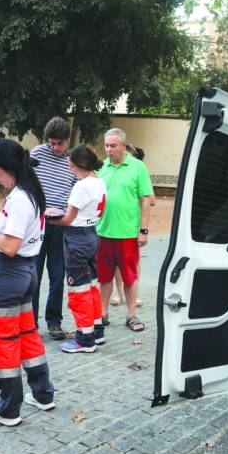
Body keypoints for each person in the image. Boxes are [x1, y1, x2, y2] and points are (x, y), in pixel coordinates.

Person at [0, 139, 55, 426]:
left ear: (8, 168)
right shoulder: (30, 193)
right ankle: (42, 393)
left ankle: (8, 408)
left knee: (4, 342)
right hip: (26, 273)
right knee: (28, 334)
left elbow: (9, 246)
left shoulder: (19, 198)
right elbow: (11, 231)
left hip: (8, 274)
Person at [97, 128, 153, 332]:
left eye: (113, 145)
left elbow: (146, 199)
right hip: (102, 232)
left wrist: (143, 230)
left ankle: (131, 316)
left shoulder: (137, 167)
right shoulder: (101, 167)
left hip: (128, 234)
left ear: (123, 145)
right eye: (106, 146)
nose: (109, 150)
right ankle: (102, 314)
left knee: (129, 277)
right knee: (104, 277)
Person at [54, 145, 106, 353]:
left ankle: (85, 339)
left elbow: (67, 219)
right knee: (92, 285)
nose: (69, 169)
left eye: (71, 166)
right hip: (92, 234)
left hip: (76, 238)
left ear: (79, 165)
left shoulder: (81, 186)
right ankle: (96, 330)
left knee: (78, 289)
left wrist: (47, 218)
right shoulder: (99, 182)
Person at [30, 117, 76, 340]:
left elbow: (77, 191)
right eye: (52, 143)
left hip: (61, 225)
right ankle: (31, 323)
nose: (55, 148)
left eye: (59, 143)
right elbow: (26, 180)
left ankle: (54, 322)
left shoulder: (73, 160)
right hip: (38, 224)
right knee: (34, 274)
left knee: (58, 275)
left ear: (68, 141)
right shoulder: (37, 154)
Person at [110, 144, 151, 310]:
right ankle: (119, 294)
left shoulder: (138, 170)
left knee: (131, 264)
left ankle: (132, 296)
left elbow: (150, 198)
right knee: (116, 265)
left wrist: (143, 230)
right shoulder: (111, 168)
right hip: (113, 226)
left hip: (131, 226)